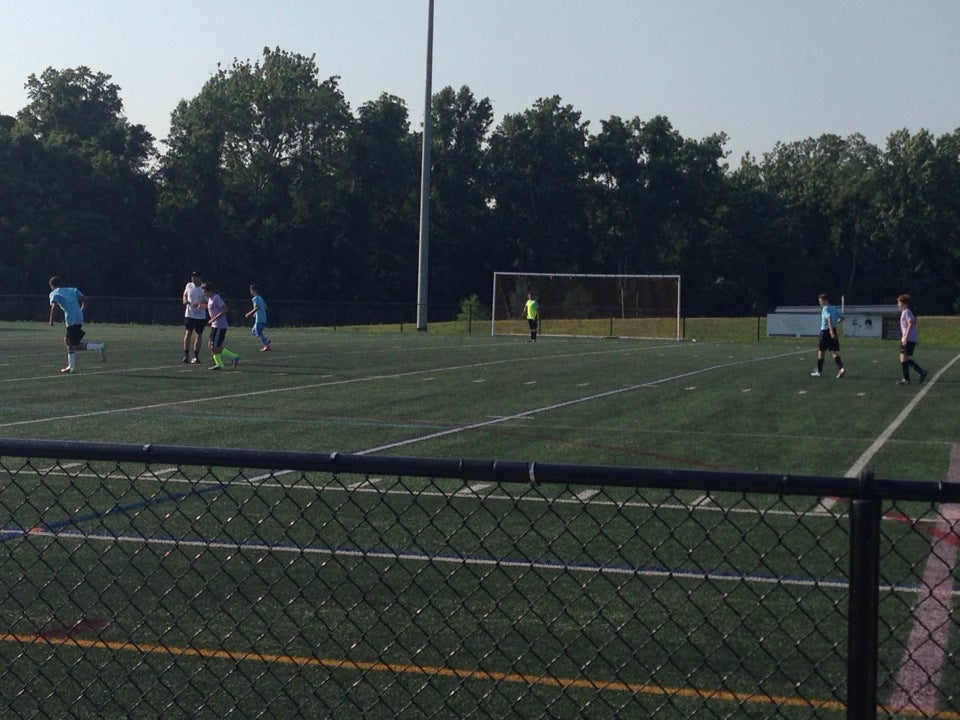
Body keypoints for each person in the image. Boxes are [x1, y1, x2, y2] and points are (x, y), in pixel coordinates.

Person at [48, 276, 106, 373]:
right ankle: (72, 366)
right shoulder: (72, 290)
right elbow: (85, 299)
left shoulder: (54, 293)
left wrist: (51, 320)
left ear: (51, 286)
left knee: (69, 342)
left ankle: (99, 347)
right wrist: (82, 310)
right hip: (79, 316)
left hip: (71, 318)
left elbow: (54, 306)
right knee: (72, 343)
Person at [202, 282, 240, 371]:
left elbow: (224, 309)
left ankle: (234, 356)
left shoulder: (216, 298)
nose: (203, 293)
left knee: (214, 347)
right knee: (211, 345)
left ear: (209, 291)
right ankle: (219, 364)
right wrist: (201, 306)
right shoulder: (210, 299)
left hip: (219, 325)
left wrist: (213, 319)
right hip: (214, 325)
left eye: (204, 291)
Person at [811, 292, 845, 379]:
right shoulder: (834, 308)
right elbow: (842, 317)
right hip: (833, 330)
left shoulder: (825, 309)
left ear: (825, 301)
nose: (820, 303)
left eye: (821, 301)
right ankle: (841, 368)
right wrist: (836, 323)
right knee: (833, 352)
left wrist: (830, 331)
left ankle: (819, 371)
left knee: (821, 352)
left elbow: (829, 318)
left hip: (826, 332)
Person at [896, 294, 928, 385]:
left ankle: (919, 372)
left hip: (908, 338)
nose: (898, 305)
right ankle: (914, 375)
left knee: (903, 357)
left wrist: (906, 336)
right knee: (903, 358)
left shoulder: (906, 311)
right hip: (909, 338)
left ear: (904, 303)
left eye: (899, 303)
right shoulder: (905, 312)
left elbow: (911, 323)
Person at [182, 270, 207, 364]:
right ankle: (186, 355)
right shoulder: (189, 285)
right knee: (188, 334)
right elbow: (185, 294)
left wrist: (200, 305)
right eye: (192, 276)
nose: (193, 278)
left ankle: (196, 355)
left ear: (199, 278)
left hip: (200, 316)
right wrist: (185, 300)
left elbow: (208, 302)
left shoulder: (203, 288)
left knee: (199, 335)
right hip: (190, 314)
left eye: (195, 276)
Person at [244, 284, 272, 351]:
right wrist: (256, 313)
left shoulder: (255, 298)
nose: (250, 292)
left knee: (258, 332)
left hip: (260, 319)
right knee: (254, 331)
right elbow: (265, 307)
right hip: (263, 318)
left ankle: (266, 345)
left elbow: (256, 307)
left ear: (254, 290)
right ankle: (266, 341)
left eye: (251, 290)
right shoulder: (260, 298)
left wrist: (249, 313)